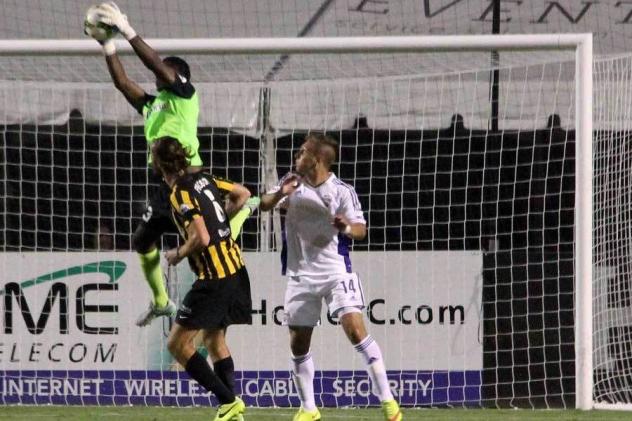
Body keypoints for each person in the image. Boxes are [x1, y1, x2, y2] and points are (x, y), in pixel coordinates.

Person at [89, 2, 259, 326]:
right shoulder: (153, 105)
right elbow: (123, 83)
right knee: (142, 241)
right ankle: (161, 301)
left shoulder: (185, 96)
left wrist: (127, 30)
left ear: (177, 75)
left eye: (165, 70)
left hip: (190, 180)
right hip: (163, 184)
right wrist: (107, 44)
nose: (157, 73)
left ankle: (239, 215)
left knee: (207, 242)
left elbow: (154, 64)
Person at [260, 133, 402, 421]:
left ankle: (388, 402)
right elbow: (264, 204)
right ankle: (309, 408)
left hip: (336, 272)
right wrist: (280, 194)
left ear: (318, 159)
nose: (297, 156)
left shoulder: (341, 191)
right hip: (300, 276)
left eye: (302, 152)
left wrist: (346, 227)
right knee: (298, 342)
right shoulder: (292, 183)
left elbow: (361, 230)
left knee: (355, 331)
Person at [153, 136, 251, 421]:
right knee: (213, 339)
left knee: (177, 344)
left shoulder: (179, 193)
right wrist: (221, 217)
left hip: (214, 276)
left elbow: (201, 237)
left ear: (160, 165)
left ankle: (228, 401)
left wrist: (179, 253)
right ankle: (231, 411)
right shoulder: (204, 179)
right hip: (235, 267)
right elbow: (242, 194)